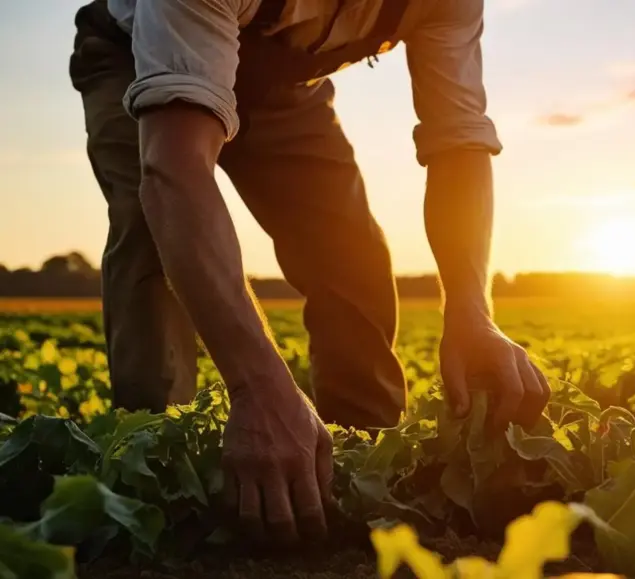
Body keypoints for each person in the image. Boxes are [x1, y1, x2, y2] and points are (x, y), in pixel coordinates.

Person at [68, 0, 550, 546]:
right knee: (151, 239)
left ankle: (357, 467)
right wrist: (257, 387)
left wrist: (472, 310)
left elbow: (459, 143)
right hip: (133, 56)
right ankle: (157, 474)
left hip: (284, 81)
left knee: (349, 252)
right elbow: (174, 169)